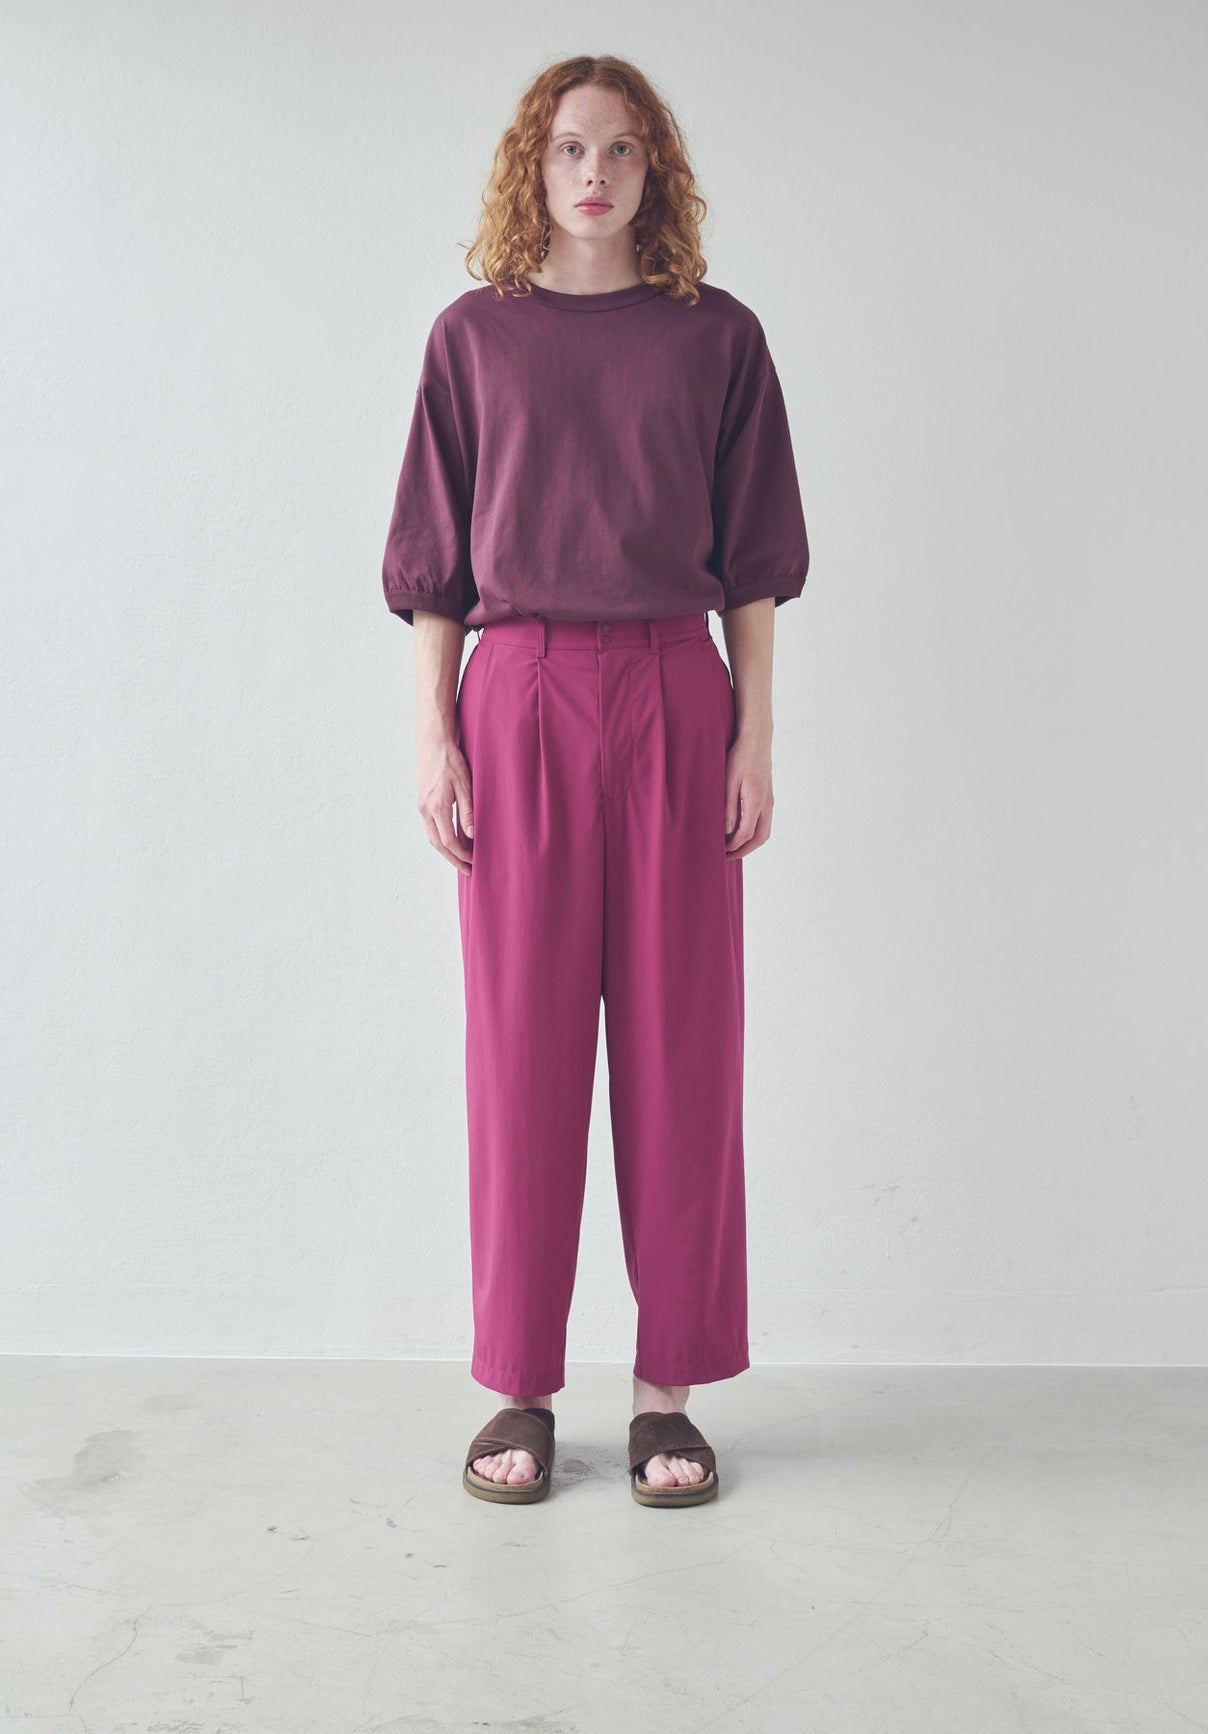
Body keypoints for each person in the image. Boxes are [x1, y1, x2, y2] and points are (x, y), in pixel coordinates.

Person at [381, 55, 810, 1508]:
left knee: (685, 1044)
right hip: (517, 692)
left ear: (654, 173)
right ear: (534, 165)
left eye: (623, 150)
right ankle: (520, 1382)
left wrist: (754, 733)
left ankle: (666, 1393)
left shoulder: (716, 339)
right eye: (570, 147)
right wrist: (434, 737)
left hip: (677, 687)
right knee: (523, 1044)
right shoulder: (473, 339)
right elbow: (435, 564)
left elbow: (754, 561)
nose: (595, 174)